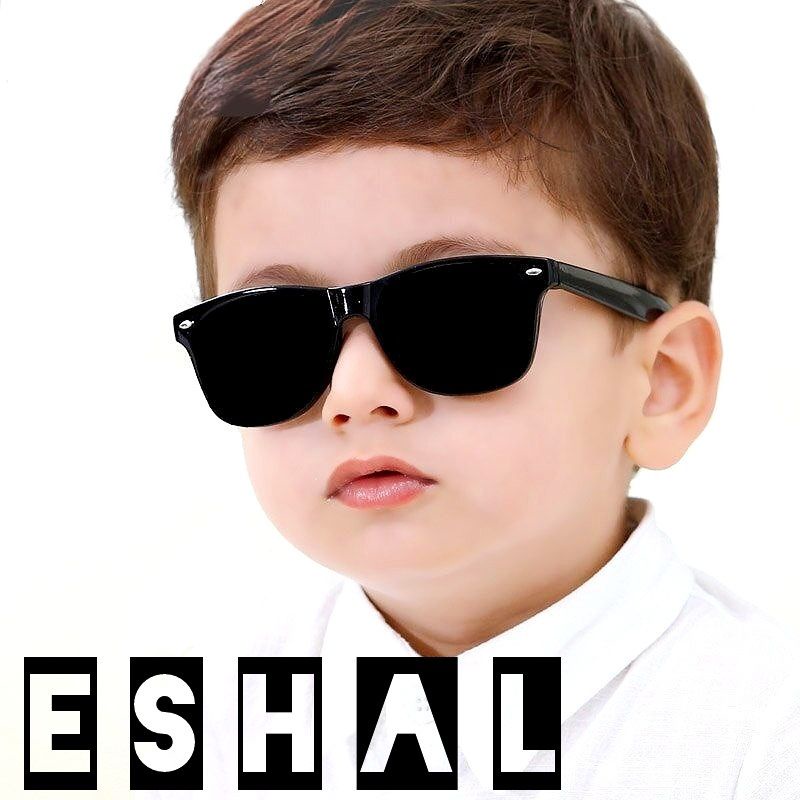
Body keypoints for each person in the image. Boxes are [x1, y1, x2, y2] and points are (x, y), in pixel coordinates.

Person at [158, 0, 800, 795]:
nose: (355, 394)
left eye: (455, 314)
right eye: (271, 335)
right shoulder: (221, 712)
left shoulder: (762, 739)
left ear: (663, 383)